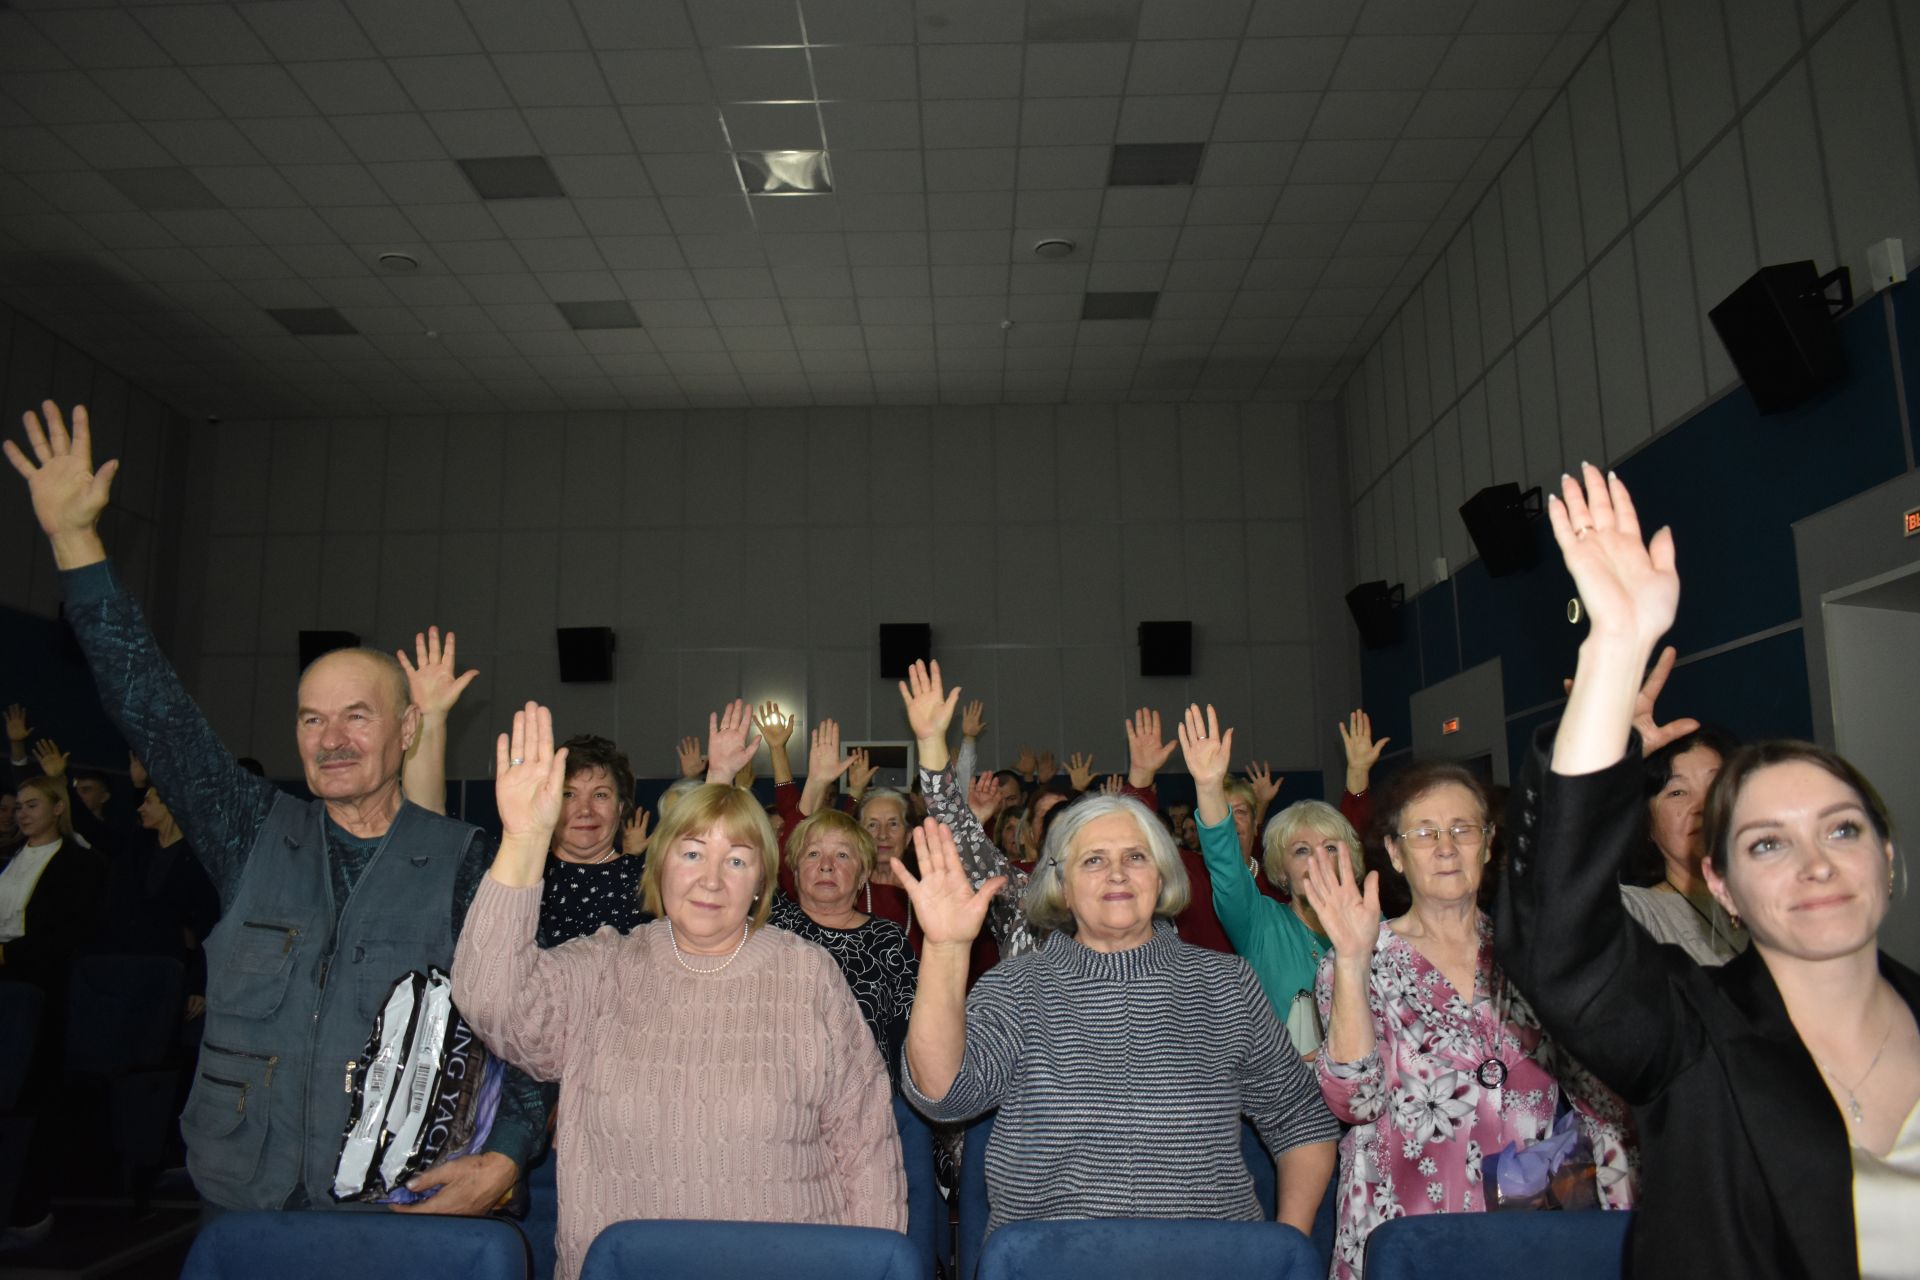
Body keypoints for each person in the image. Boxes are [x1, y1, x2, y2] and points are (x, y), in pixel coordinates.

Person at [4, 401, 544, 1217]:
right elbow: (153, 707)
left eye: (356, 716)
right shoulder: (250, 829)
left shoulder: (466, 857)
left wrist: (505, 1159)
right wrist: (75, 542)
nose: (331, 739)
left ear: (405, 730)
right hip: (247, 1197)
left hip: (400, 1205)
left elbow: (530, 1028)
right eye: (310, 717)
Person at [1499, 465, 1920, 1280]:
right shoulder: (1695, 1037)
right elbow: (1559, 939)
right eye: (1766, 843)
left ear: (1887, 859)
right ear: (1718, 883)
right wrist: (1614, 651)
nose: (1815, 862)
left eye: (1842, 828)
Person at [453, 703, 906, 1280]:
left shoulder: (808, 973)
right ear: (659, 862)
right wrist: (521, 841)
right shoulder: (605, 965)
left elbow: (865, 1144)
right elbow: (491, 1003)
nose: (711, 879)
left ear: (762, 880)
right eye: (692, 853)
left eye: (736, 860)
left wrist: (873, 1267)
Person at [895, 804, 1339, 1236]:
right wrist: (946, 948)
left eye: (1136, 856)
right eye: (1093, 860)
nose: (1117, 872)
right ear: (1062, 887)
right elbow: (945, 1096)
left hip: (1207, 1260)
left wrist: (1286, 1248)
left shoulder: (1227, 984)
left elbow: (1300, 1120)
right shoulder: (1016, 987)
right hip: (1056, 1262)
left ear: (1161, 876)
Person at [1300, 752, 1635, 1278]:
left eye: (1463, 829)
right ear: (1394, 853)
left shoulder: (1533, 952)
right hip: (1408, 1225)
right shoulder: (1363, 956)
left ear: (1489, 842)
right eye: (1426, 834)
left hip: (1536, 1225)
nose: (1447, 848)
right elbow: (1356, 1100)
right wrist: (1350, 959)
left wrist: (1619, 1216)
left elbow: (1599, 1091)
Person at [397, 630, 653, 949]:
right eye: (567, 794)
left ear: (621, 806)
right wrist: (431, 719)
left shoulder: (653, 878)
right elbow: (427, 823)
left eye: (600, 794)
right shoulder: (513, 871)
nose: (584, 810)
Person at [1178, 704, 1362, 1055]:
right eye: (1302, 851)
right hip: (1286, 1104)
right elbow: (1227, 868)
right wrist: (1209, 786)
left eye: (1330, 848)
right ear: (1279, 870)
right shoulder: (1261, 926)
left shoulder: (1378, 930)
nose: (1319, 860)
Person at [769, 806, 917, 1085]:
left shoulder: (888, 939)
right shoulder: (769, 925)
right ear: (795, 870)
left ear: (863, 875)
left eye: (842, 855)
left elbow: (909, 1038)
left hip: (867, 1104)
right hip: (777, 1098)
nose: (826, 865)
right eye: (813, 854)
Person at [1620, 712, 1747, 964]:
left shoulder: (1784, 898)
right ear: (1646, 825)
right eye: (1677, 792)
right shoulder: (1637, 915)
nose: (1702, 806)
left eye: (1716, 785)